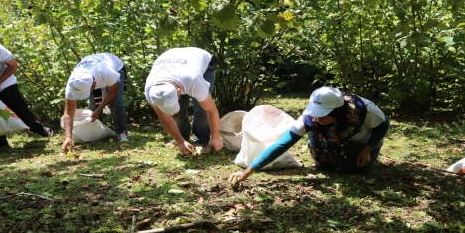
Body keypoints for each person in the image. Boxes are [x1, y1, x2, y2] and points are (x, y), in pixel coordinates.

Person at [228, 86, 390, 188]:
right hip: (333, 141)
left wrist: (368, 149)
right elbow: (283, 143)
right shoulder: (310, 116)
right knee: (325, 155)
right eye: (316, 114)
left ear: (337, 112)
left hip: (361, 143)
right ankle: (328, 160)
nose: (317, 119)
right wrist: (249, 171)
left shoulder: (364, 110)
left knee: (356, 170)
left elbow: (383, 125)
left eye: (324, 115)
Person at [144, 47, 223, 155]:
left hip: (200, 60)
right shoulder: (151, 90)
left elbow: (211, 110)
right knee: (177, 112)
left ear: (178, 91)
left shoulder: (193, 79)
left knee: (201, 110)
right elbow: (164, 116)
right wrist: (180, 141)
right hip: (173, 58)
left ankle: (202, 140)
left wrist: (215, 137)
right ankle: (183, 138)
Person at [62, 53, 129, 153]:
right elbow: (68, 113)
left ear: (93, 84)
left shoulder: (107, 73)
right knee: (94, 104)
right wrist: (68, 137)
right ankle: (100, 132)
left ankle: (121, 132)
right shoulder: (73, 83)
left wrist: (99, 109)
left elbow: (112, 92)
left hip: (115, 67)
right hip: (93, 71)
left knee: (116, 102)